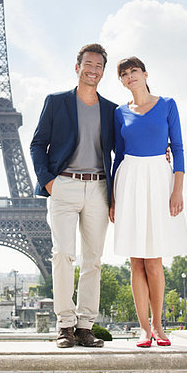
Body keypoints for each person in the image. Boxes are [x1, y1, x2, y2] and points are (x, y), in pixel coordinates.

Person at [30, 43, 116, 348]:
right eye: (88, 64)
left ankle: (84, 326)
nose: (93, 70)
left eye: (99, 66)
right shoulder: (56, 102)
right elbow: (37, 144)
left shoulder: (111, 109)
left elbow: (124, 150)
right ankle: (64, 324)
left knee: (93, 260)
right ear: (77, 67)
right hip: (64, 185)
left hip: (98, 187)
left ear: (103, 72)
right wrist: (48, 182)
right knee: (63, 255)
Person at [110, 56, 187, 348]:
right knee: (136, 261)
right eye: (124, 74)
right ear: (121, 81)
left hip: (159, 179)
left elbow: (178, 147)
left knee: (154, 261)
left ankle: (158, 325)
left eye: (134, 71)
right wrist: (113, 198)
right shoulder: (119, 113)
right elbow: (117, 157)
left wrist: (177, 189)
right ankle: (143, 329)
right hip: (129, 180)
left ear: (145, 74)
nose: (130, 77)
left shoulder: (168, 104)